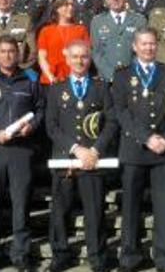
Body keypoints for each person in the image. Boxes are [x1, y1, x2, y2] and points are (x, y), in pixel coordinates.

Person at [113, 28, 165, 272]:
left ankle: (163, 256)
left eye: (152, 44)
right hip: (135, 148)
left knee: (163, 205)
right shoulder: (123, 75)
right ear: (135, 47)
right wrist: (147, 138)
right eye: (143, 44)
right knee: (130, 205)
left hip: (163, 150)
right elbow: (121, 112)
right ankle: (129, 255)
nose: (148, 48)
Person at [0, 36, 46, 272]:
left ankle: (21, 254)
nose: (7, 55)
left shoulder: (32, 78)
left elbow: (41, 109)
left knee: (21, 203)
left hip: (22, 151)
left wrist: (31, 127)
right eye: (3, 51)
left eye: (12, 51)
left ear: (18, 53)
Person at [45, 40, 118, 272]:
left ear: (90, 59)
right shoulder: (56, 89)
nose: (79, 61)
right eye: (75, 56)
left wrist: (95, 150)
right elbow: (51, 126)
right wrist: (76, 149)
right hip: (65, 159)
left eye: (84, 56)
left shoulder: (102, 87)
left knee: (94, 210)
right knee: (60, 211)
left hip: (93, 161)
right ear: (67, 59)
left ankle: (97, 256)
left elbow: (112, 122)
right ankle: (60, 255)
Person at [90, 0, 147, 82]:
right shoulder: (97, 22)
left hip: (132, 78)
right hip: (106, 80)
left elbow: (142, 51)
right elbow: (97, 53)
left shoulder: (139, 20)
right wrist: (111, 75)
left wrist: (130, 74)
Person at [37, 0, 91, 86]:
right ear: (57, 8)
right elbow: (42, 57)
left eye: (72, 5)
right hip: (51, 80)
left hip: (74, 80)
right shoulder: (46, 31)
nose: (70, 8)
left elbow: (87, 55)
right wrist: (50, 76)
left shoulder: (81, 30)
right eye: (66, 5)